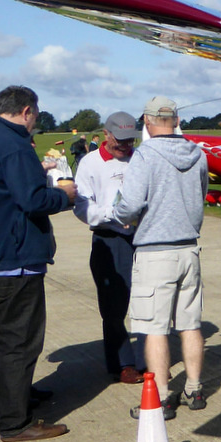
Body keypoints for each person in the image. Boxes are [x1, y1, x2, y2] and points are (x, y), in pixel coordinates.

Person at [0, 86, 75, 442]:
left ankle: (1, 410)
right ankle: (14, 422)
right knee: (19, 342)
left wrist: (31, 170)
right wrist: (64, 196)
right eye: (35, 118)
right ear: (26, 111)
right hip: (12, 259)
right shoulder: (14, 145)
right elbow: (33, 200)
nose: (34, 124)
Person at [114, 97, 209, 419]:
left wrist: (120, 214)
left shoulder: (145, 155)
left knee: (153, 328)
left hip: (156, 250)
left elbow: (129, 204)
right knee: (190, 324)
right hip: (188, 247)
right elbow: (201, 192)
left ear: (148, 120)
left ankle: (162, 397)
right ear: (176, 119)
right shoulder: (197, 153)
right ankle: (194, 390)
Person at [74, 111, 145, 384]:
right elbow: (82, 207)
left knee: (146, 301)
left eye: (130, 140)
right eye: (120, 140)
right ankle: (123, 363)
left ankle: (148, 358)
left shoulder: (140, 159)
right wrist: (113, 214)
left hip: (143, 238)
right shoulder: (90, 163)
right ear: (106, 134)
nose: (126, 146)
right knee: (114, 307)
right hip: (110, 238)